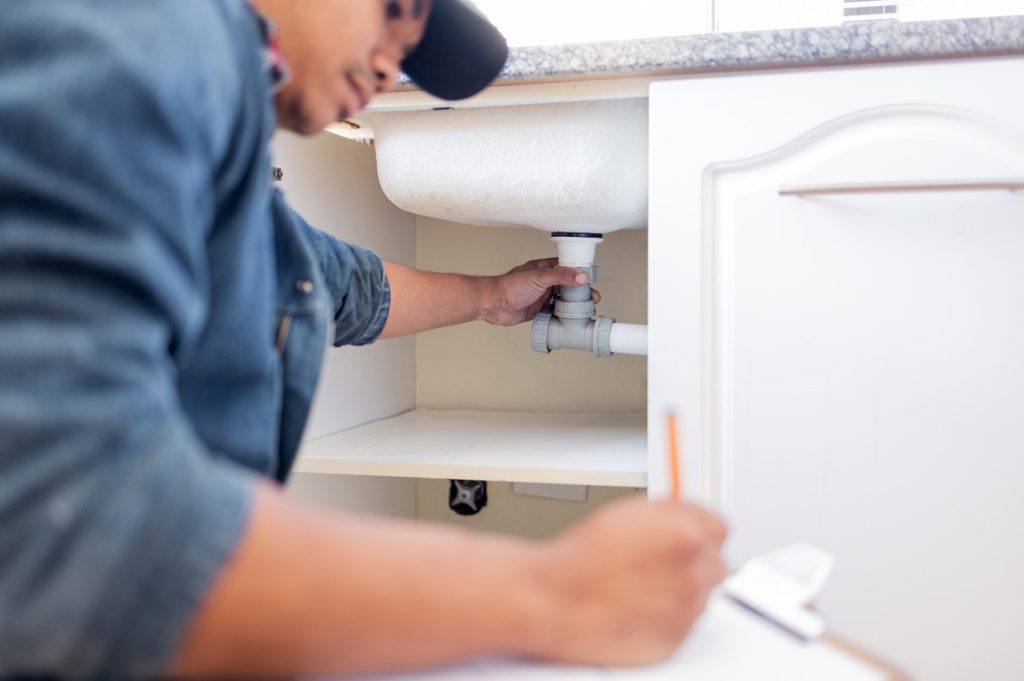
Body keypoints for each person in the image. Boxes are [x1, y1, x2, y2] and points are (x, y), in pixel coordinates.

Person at [0, 1, 728, 678]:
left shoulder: (192, 89)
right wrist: (561, 591)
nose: (389, 66)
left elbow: (317, 279)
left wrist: (486, 297)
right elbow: (72, 531)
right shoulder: (148, 38)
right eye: (393, 12)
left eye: (407, 53)